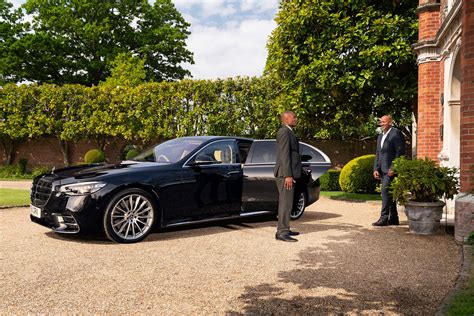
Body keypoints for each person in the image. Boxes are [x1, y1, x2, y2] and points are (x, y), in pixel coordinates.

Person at [372, 115, 405, 226]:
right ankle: (394, 218)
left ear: (390, 122)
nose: (381, 123)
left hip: (390, 170)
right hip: (382, 169)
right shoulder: (380, 136)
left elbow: (400, 152)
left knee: (385, 192)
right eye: (380, 122)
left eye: (384, 122)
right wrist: (376, 168)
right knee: (389, 193)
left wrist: (394, 168)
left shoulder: (396, 134)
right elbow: (378, 153)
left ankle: (384, 218)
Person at [274, 111, 302, 242]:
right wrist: (288, 175)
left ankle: (285, 227)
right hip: (285, 174)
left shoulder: (288, 131)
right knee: (285, 203)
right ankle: (282, 232)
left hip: (289, 173)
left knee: (288, 203)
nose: (296, 119)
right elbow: (285, 155)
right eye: (294, 117)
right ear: (286, 118)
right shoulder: (284, 132)